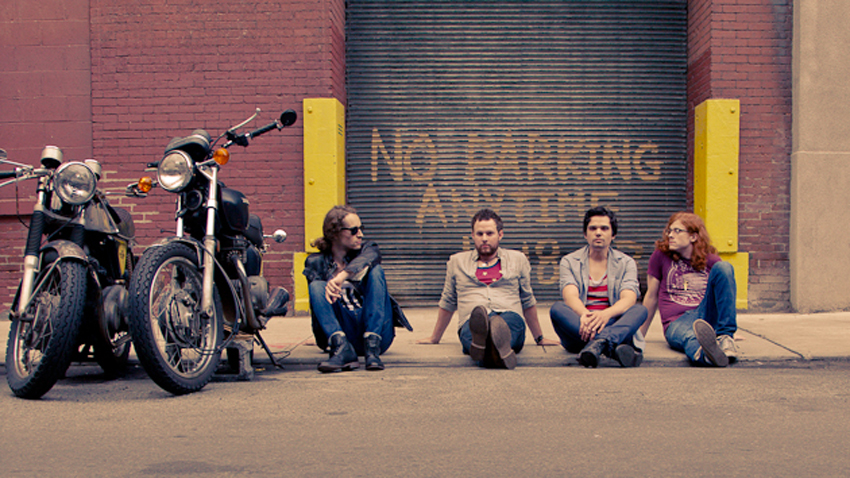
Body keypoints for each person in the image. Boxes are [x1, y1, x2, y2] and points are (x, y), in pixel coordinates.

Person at [416, 208, 558, 369]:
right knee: (473, 331)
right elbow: (448, 301)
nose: (484, 239)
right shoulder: (457, 262)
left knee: (507, 326)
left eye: (489, 233)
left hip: (509, 315)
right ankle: (499, 353)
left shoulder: (517, 259)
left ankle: (486, 353)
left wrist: (539, 338)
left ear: (500, 234)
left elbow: (527, 300)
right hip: (473, 319)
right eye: (479, 234)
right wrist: (435, 337)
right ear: (472, 235)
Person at [303, 205, 410, 373]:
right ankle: (340, 345)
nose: (360, 234)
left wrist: (341, 276)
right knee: (317, 285)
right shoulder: (315, 262)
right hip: (342, 332)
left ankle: (371, 345)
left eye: (361, 228)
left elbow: (371, 256)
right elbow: (319, 304)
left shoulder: (368, 250)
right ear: (335, 233)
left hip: (376, 332)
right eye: (353, 230)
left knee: (376, 271)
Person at [549, 206, 648, 367]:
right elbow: (570, 295)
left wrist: (605, 315)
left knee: (640, 310)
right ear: (585, 233)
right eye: (593, 228)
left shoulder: (626, 262)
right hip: (580, 328)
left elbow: (629, 297)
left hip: (611, 320)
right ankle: (609, 344)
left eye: (604, 228)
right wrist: (587, 317)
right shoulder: (569, 261)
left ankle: (599, 344)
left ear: (613, 234)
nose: (598, 232)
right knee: (557, 309)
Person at [640, 211, 738, 367]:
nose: (670, 235)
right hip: (677, 321)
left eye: (677, 231)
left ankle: (725, 338)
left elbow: (724, 293)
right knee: (690, 336)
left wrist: (725, 325)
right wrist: (639, 336)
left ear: (693, 236)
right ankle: (706, 355)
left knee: (724, 268)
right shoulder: (660, 256)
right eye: (669, 231)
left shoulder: (711, 260)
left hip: (705, 315)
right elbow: (651, 296)